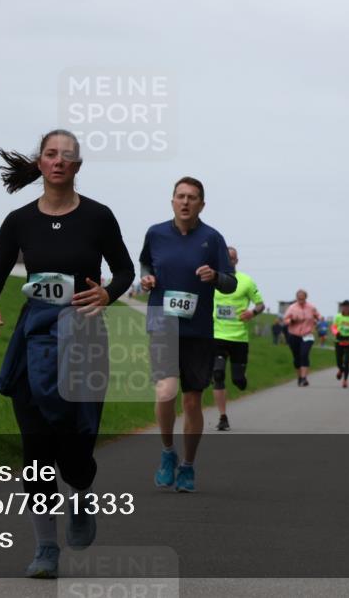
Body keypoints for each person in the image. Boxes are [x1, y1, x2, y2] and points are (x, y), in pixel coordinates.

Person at [0, 130, 133, 579]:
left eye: (67, 155)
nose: (59, 161)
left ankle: (81, 494)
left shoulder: (98, 216)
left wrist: (107, 294)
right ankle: (46, 547)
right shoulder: (19, 221)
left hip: (84, 339)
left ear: (77, 166)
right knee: (37, 446)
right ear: (40, 163)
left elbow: (124, 270)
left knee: (76, 444)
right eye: (50, 154)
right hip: (35, 340)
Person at [140, 177, 235, 493]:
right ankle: (168, 452)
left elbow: (230, 283)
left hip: (198, 330)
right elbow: (144, 264)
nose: (185, 202)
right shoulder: (155, 234)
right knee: (165, 391)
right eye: (180, 196)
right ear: (172, 201)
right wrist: (147, 279)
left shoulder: (212, 239)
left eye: (192, 197)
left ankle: (188, 465)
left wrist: (215, 275)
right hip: (162, 323)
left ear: (201, 205)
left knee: (192, 401)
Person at [211, 246, 265, 431]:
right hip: (217, 335)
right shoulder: (212, 280)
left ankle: (241, 377)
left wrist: (252, 312)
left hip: (239, 338)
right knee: (218, 374)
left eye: (232, 258)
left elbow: (260, 304)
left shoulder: (246, 281)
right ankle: (223, 417)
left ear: (236, 261)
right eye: (226, 258)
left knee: (238, 381)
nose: (229, 261)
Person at [283, 289, 321, 387]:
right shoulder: (292, 308)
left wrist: (316, 322)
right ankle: (299, 377)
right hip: (294, 334)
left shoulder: (311, 307)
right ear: (296, 298)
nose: (301, 301)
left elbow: (319, 317)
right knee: (297, 357)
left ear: (305, 298)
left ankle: (304, 378)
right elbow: (285, 320)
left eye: (302, 299)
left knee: (304, 354)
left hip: (307, 334)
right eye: (299, 299)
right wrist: (291, 320)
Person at [332, 300, 349, 388]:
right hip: (339, 340)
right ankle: (340, 370)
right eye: (344, 307)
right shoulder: (338, 316)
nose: (346, 308)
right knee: (339, 362)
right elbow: (334, 327)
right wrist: (336, 333)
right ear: (342, 308)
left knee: (347, 362)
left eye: (348, 307)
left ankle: (345, 380)